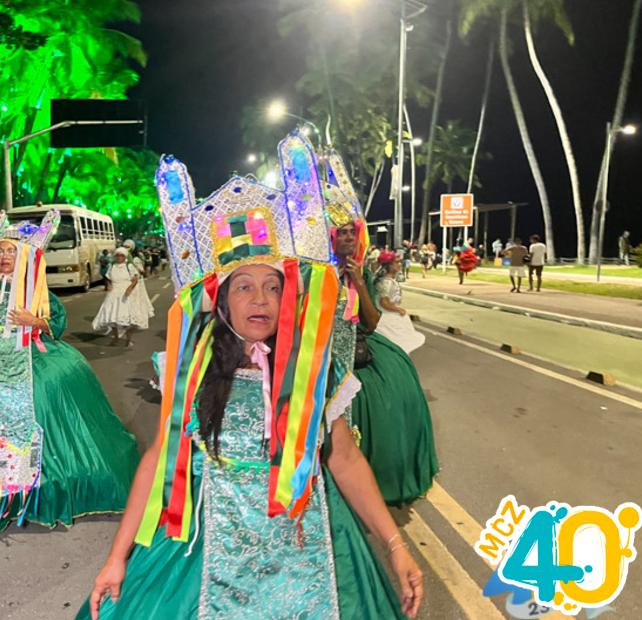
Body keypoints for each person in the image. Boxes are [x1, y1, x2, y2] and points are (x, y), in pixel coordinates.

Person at [84, 133, 422, 620]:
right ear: (221, 300)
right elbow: (159, 461)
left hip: (309, 555)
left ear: (289, 299)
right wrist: (116, 559)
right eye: (243, 286)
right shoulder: (190, 370)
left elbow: (344, 459)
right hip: (206, 552)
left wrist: (395, 546)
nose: (259, 299)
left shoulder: (315, 370)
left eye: (271, 286)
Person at [0, 211, 139, 532]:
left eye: (11, 252)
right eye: (0, 251)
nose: (4, 257)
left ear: (24, 256)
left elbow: (55, 324)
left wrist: (36, 321)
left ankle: (40, 486)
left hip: (31, 353)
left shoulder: (37, 289)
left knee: (49, 388)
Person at [326, 163, 438, 508]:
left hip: (360, 350)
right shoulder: (315, 272)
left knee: (398, 394)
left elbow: (372, 323)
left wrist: (358, 281)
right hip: (325, 354)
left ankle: (376, 483)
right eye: (340, 232)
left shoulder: (364, 273)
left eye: (350, 232)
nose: (346, 237)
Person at [93, 248, 151, 346]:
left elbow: (135, 279)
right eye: (118, 255)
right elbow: (107, 278)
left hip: (125, 294)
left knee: (128, 318)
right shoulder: (112, 266)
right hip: (114, 294)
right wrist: (109, 285)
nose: (119, 257)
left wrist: (130, 288)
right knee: (113, 317)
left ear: (125, 257)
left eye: (122, 255)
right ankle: (116, 338)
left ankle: (128, 339)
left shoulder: (129, 266)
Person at [373, 251, 425, 354]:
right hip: (388, 318)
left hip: (389, 316)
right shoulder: (386, 282)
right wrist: (397, 309)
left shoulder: (388, 281)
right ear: (389, 266)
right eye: (396, 262)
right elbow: (384, 301)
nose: (399, 265)